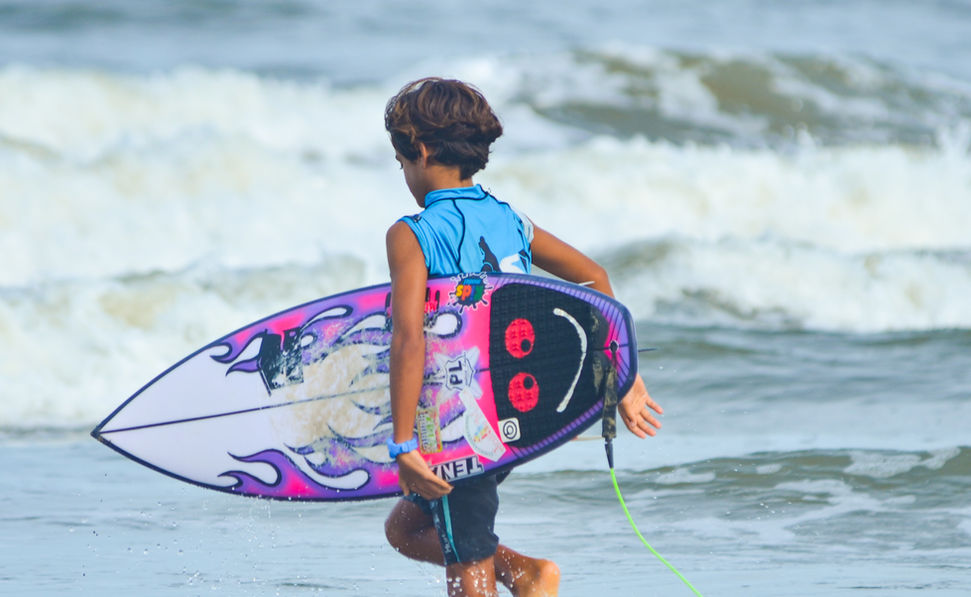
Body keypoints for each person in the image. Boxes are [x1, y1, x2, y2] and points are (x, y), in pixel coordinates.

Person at [382, 77, 663, 597]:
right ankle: (528, 575)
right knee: (407, 530)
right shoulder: (510, 219)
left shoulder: (413, 233)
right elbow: (595, 281)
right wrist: (621, 376)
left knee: (467, 561)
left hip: (457, 421)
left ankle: (519, 578)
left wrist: (403, 445)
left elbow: (408, 339)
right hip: (521, 414)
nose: (404, 175)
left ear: (418, 151)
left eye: (401, 164)